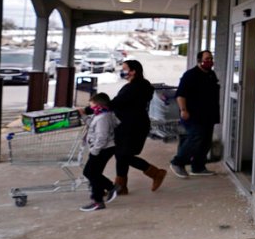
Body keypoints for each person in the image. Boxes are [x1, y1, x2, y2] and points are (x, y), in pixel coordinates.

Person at [110, 59, 167, 194]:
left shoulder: (135, 87)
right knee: (121, 154)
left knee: (124, 155)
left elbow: (116, 103)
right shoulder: (139, 85)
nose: (122, 71)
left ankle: (156, 173)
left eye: (124, 69)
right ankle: (121, 186)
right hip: (127, 125)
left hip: (133, 126)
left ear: (133, 71)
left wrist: (93, 108)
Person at [169, 50, 220, 178]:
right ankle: (177, 162)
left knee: (205, 142)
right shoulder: (190, 75)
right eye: (207, 59)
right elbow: (181, 95)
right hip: (193, 115)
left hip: (209, 115)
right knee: (196, 138)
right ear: (199, 60)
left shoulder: (211, 74)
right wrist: (183, 110)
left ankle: (198, 167)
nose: (210, 61)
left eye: (211, 59)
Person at [80, 92, 119, 212]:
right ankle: (110, 187)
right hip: (102, 148)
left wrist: (95, 151)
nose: (90, 108)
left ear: (99, 105)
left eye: (92, 105)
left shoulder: (103, 118)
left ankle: (98, 201)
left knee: (92, 173)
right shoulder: (100, 115)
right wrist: (83, 116)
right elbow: (92, 126)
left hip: (103, 149)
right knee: (90, 172)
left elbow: (102, 137)